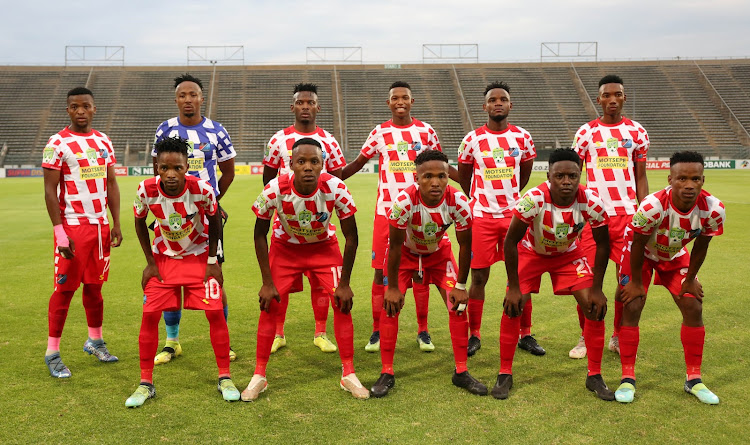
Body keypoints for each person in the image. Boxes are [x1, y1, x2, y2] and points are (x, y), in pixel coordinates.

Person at [244, 138, 368, 401]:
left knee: (342, 302)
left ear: (323, 165)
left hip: (324, 249)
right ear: (291, 164)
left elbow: (352, 237)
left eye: (314, 162)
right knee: (269, 303)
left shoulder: (336, 188)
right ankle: (259, 375)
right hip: (285, 248)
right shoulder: (274, 189)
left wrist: (344, 283)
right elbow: (258, 235)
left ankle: (349, 373)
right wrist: (267, 282)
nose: (308, 167)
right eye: (301, 161)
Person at [493, 148, 615, 401]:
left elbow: (603, 244)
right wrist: (514, 287)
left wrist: (598, 288)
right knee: (514, 305)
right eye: (560, 176)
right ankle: (505, 373)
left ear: (580, 175)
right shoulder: (533, 199)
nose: (566, 181)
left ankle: (595, 375)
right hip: (531, 253)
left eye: (573, 175)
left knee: (593, 306)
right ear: (549, 175)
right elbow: (510, 241)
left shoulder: (591, 201)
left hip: (568, 254)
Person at [126, 137, 239, 407]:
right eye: (165, 168)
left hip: (199, 257)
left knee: (214, 311)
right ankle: (145, 383)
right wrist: (150, 262)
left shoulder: (201, 189)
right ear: (157, 167)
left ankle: (225, 377)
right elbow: (139, 223)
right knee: (150, 314)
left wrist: (213, 260)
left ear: (187, 166)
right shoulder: (145, 190)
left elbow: (215, 221)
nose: (171, 174)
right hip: (164, 258)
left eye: (177, 167)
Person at [343, 81, 452, 354]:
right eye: (395, 98)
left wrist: (471, 185)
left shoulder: (426, 131)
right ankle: (377, 330)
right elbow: (357, 164)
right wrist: (328, 180)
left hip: (423, 211)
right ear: (388, 102)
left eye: (405, 97)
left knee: (421, 273)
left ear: (412, 101)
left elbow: (442, 166)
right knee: (381, 273)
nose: (400, 101)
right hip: (387, 213)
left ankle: (423, 330)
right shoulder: (380, 132)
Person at [370, 150, 487, 398]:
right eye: (428, 176)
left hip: (439, 255)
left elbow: (465, 245)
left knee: (457, 306)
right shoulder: (403, 202)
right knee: (390, 307)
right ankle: (387, 372)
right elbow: (394, 246)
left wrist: (461, 284)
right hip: (405, 256)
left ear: (448, 177)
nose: (435, 182)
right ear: (417, 177)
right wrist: (391, 288)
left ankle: (461, 371)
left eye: (442, 176)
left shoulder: (459, 202)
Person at [615, 151, 724, 405]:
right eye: (682, 178)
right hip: (640, 254)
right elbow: (637, 244)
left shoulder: (714, 209)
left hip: (674, 255)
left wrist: (690, 279)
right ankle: (627, 378)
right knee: (633, 304)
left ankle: (694, 379)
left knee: (692, 304)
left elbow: (701, 246)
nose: (688, 185)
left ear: (703, 180)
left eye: (695, 179)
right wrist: (636, 283)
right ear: (670, 179)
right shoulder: (653, 205)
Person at [151, 74, 237, 365]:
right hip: (171, 219)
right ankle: (172, 341)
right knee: (169, 278)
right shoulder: (165, 129)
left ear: (202, 98)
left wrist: (214, 202)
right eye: (182, 95)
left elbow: (228, 172)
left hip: (206, 219)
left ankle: (224, 340)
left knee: (215, 276)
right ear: (176, 100)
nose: (188, 100)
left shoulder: (216, 130)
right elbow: (158, 172)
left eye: (193, 95)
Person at [42, 87, 122, 378]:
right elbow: (50, 191)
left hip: (100, 227)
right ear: (68, 110)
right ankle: (52, 353)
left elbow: (111, 183)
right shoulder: (57, 143)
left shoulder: (103, 141)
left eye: (85, 106)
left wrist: (115, 223)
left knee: (95, 288)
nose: (80, 111)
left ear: (93, 109)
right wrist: (60, 233)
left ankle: (95, 340)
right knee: (64, 290)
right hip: (73, 227)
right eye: (74, 106)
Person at [457, 81, 540, 358]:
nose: (498, 103)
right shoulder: (472, 140)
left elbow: (525, 174)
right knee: (478, 276)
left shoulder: (523, 137)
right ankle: (474, 334)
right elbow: (465, 178)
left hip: (515, 217)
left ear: (510, 105)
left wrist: (512, 197)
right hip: (481, 217)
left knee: (521, 277)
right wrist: (478, 200)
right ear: (485, 106)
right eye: (492, 100)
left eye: (502, 99)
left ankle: (525, 333)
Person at [569, 74, 649, 359]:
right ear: (599, 98)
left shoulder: (637, 132)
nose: (612, 99)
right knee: (588, 280)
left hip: (627, 216)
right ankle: (586, 335)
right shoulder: (586, 133)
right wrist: (575, 215)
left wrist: (644, 211)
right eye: (607, 95)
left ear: (624, 98)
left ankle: (616, 335)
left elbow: (640, 177)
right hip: (594, 217)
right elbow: (575, 177)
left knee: (626, 280)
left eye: (618, 94)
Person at [262, 83, 346, 354]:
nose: (305, 106)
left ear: (318, 107)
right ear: (293, 107)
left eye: (310, 102)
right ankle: (278, 333)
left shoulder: (329, 141)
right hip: (286, 224)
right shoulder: (278, 140)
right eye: (301, 102)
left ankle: (320, 333)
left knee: (320, 283)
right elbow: (267, 178)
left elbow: (337, 178)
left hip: (320, 224)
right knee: (279, 285)